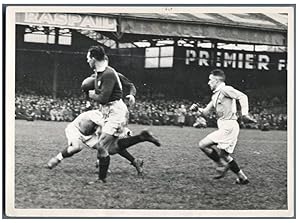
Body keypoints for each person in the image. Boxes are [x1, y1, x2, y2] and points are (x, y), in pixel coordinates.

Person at [86, 45, 161, 183]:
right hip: (108, 112)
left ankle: (101, 178)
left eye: (88, 58)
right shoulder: (97, 75)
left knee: (102, 145)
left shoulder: (112, 74)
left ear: (95, 59)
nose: (87, 61)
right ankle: (140, 142)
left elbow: (129, 86)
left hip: (116, 112)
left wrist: (131, 95)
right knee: (113, 147)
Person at [190, 69, 256, 185]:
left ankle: (221, 165)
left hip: (229, 126)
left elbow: (243, 96)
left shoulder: (225, 89)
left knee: (203, 145)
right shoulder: (215, 96)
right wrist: (197, 109)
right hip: (226, 126)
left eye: (210, 80)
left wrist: (244, 114)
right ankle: (242, 178)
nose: (208, 83)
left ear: (216, 80)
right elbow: (205, 112)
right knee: (224, 155)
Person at [46, 109, 155, 176]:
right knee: (76, 147)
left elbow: (104, 134)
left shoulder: (108, 118)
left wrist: (126, 132)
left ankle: (135, 161)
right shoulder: (97, 115)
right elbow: (107, 127)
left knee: (112, 148)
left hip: (90, 136)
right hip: (75, 130)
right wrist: (123, 131)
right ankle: (57, 158)